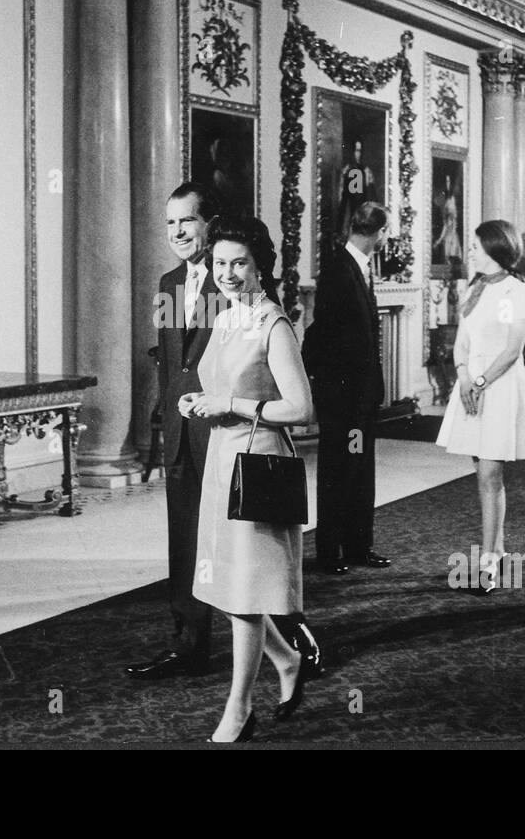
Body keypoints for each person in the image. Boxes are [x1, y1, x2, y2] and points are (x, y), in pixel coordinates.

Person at [125, 185, 321, 682]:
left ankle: (293, 636)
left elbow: (267, 360)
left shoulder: (236, 279)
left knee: (252, 547)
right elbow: (173, 362)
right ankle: (189, 645)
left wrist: (229, 406)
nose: (177, 233)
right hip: (187, 427)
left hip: (239, 433)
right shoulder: (169, 283)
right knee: (190, 543)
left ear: (209, 225)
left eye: (186, 222)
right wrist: (166, 415)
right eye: (169, 224)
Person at [184, 214, 315, 742]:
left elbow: (302, 407)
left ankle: (238, 708)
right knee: (231, 583)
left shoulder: (272, 325)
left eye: (239, 263)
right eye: (220, 263)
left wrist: (232, 403)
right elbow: (220, 386)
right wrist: (201, 402)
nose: (229, 273)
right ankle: (287, 662)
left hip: (258, 465)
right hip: (223, 457)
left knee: (244, 594)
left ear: (261, 266)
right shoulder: (225, 319)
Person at [435, 220, 525, 593]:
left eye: (477, 246)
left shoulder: (517, 291)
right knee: (483, 474)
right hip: (472, 388)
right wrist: (465, 377)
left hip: (499, 389)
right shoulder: (476, 287)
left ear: (496, 250)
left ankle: (490, 563)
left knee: (489, 475)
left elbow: (512, 350)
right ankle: (495, 548)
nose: (470, 251)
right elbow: (462, 342)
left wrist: (481, 382)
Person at [303, 201, 391, 575]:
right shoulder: (340, 270)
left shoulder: (356, 266)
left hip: (360, 395)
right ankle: (329, 552)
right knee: (340, 469)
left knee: (359, 468)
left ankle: (357, 545)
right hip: (344, 397)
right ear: (381, 233)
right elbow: (324, 334)